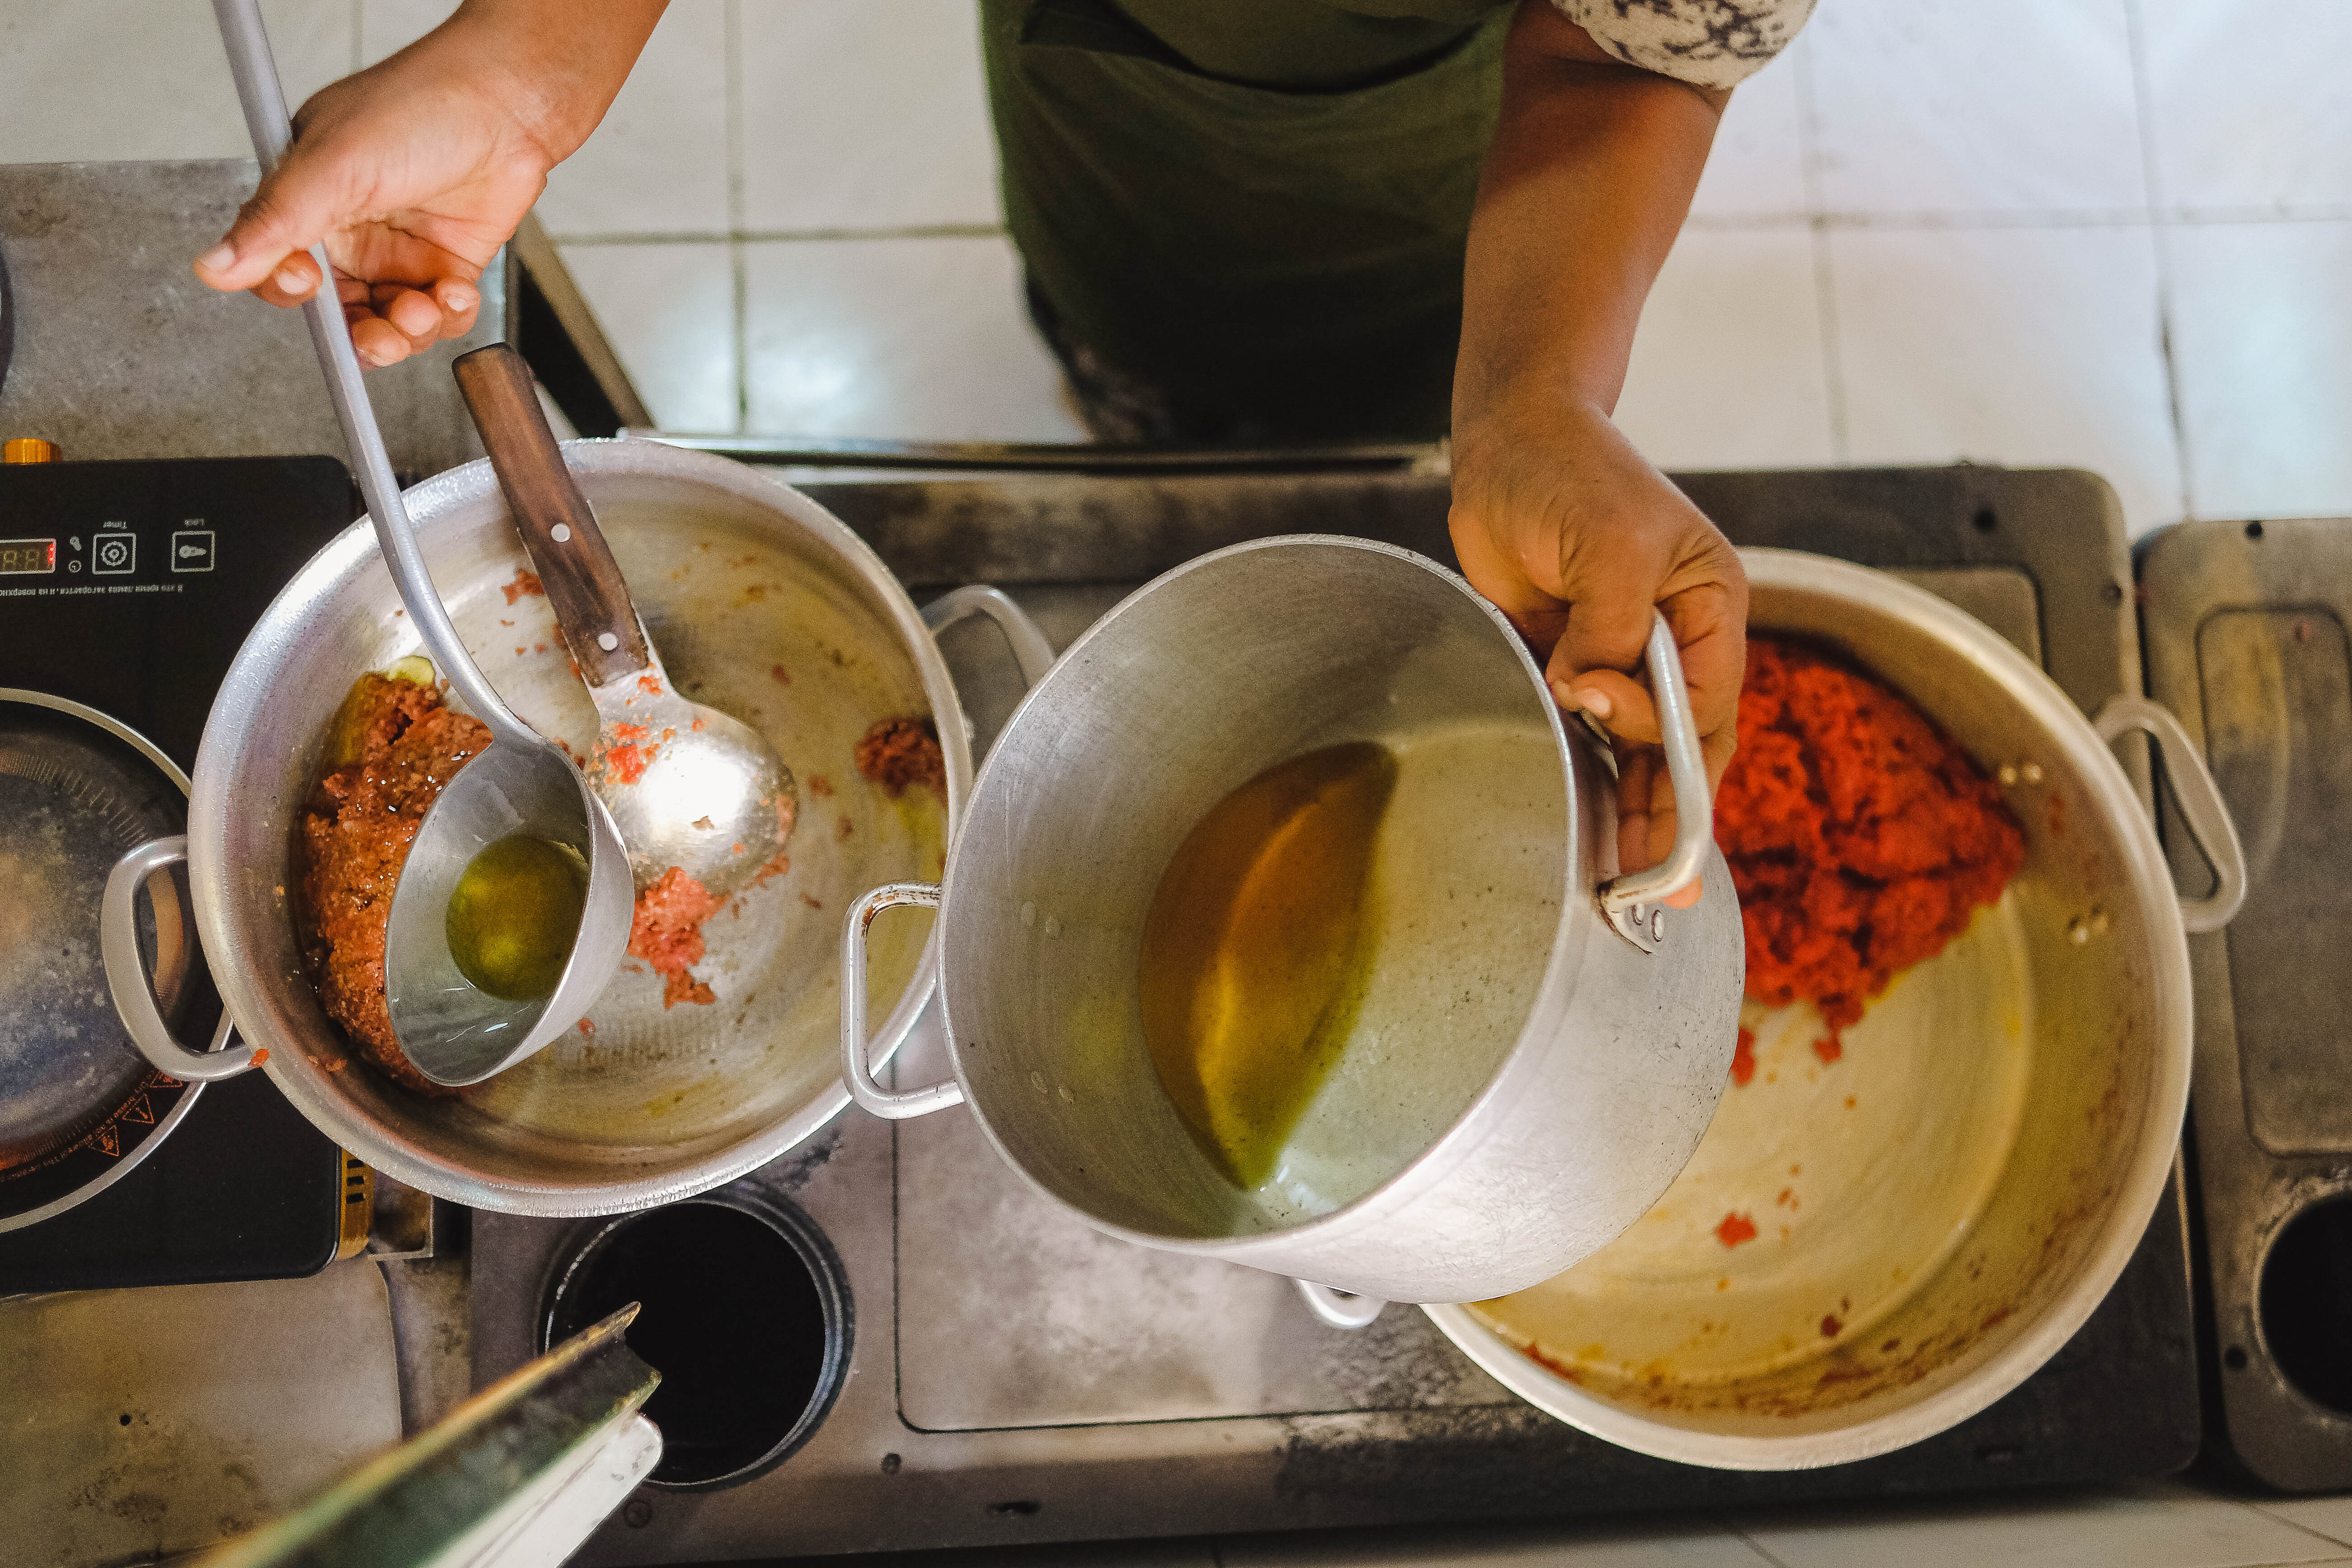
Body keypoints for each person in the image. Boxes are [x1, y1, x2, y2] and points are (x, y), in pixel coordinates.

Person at [193, 0, 1810, 892]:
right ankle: (1121, 376)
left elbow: (1624, 48)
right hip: (1111, 126)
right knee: (1127, 345)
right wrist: (538, 56)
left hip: (1427, 201)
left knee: (1332, 396)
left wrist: (1530, 398)